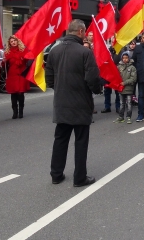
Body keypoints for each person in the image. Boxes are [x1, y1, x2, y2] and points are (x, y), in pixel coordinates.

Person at [46, 19, 102, 187]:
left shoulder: (54, 51)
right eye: (84, 32)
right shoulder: (85, 52)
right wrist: (97, 89)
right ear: (80, 32)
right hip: (81, 103)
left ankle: (56, 174)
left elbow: (49, 78)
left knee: (60, 139)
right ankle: (80, 178)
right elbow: (92, 78)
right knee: (81, 141)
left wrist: (61, 89)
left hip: (61, 103)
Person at [4, 36, 31, 119]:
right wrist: (3, 62)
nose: (13, 42)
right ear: (10, 43)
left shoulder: (24, 50)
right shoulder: (7, 53)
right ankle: (15, 112)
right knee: (13, 94)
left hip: (21, 74)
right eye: (11, 41)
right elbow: (4, 66)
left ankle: (21, 111)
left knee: (20, 93)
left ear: (17, 41)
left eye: (14, 40)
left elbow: (29, 61)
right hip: (12, 75)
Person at [114, 52, 136, 124]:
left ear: (129, 58)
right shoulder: (119, 67)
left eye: (126, 58)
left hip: (129, 88)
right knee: (122, 103)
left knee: (129, 103)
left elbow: (133, 78)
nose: (125, 59)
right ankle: (121, 117)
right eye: (123, 58)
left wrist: (125, 82)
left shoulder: (132, 68)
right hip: (121, 88)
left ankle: (128, 117)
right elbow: (115, 75)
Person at [102, 46, 121, 114]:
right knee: (107, 91)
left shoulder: (120, 50)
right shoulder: (107, 51)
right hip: (108, 75)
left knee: (117, 92)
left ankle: (118, 107)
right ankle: (107, 106)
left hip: (116, 74)